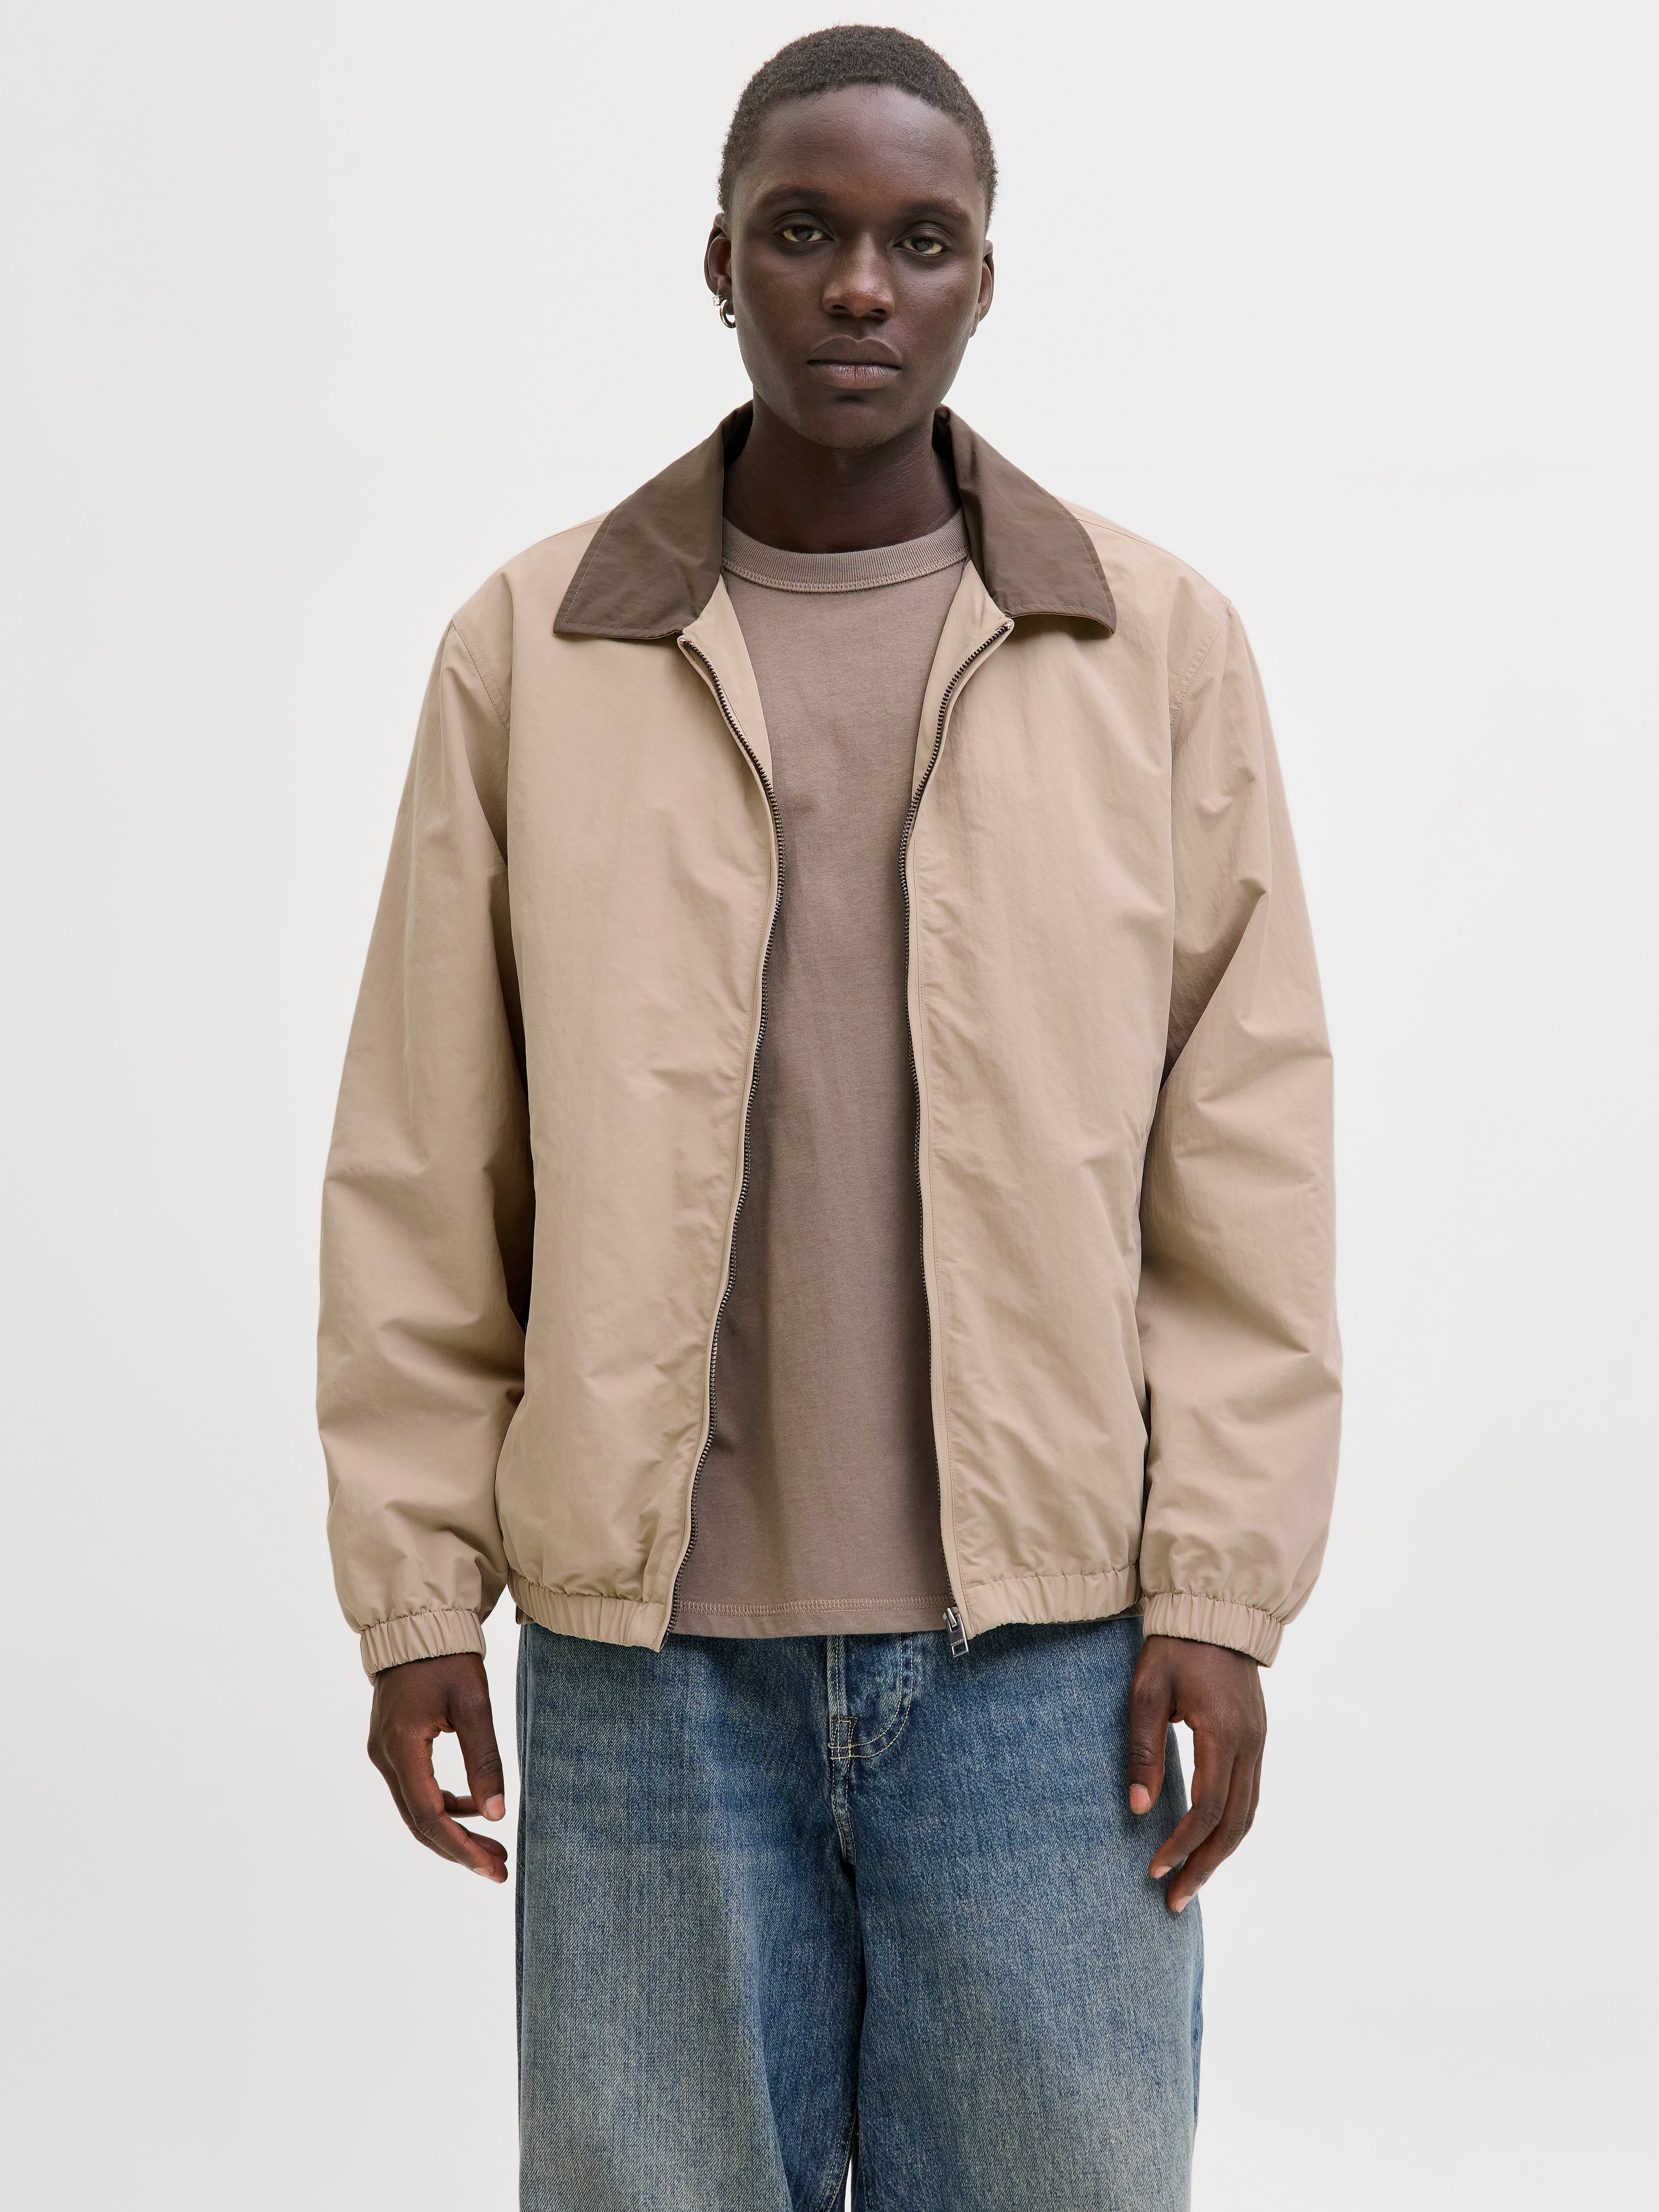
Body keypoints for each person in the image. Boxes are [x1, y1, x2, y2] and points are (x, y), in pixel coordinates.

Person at [318, 26, 1340, 2210]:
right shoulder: (534, 654)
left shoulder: (1151, 648)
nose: (861, 284)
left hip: (1052, 1669)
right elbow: (425, 1152)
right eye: (804, 231)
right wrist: (414, 1598)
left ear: (985, 280)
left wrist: (1224, 1591)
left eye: (919, 240)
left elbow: (1243, 1157)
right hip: (647, 1676)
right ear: (718, 261)